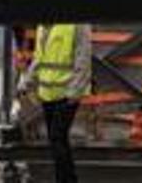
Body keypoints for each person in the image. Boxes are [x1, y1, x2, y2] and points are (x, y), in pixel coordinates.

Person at [25, 23, 91, 183]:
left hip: (67, 94)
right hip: (48, 93)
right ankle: (66, 178)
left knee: (57, 137)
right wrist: (28, 80)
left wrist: (75, 91)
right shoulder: (42, 25)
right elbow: (39, 57)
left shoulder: (77, 24)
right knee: (56, 140)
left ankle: (66, 180)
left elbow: (82, 58)